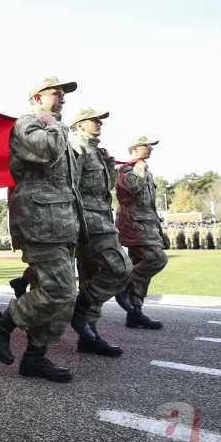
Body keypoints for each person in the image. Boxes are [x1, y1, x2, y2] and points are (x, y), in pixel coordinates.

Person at [0, 76, 84, 383]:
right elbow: (49, 150)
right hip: (41, 223)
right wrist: (56, 124)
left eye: (64, 94)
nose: (63, 99)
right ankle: (1, 322)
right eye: (56, 93)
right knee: (60, 290)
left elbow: (70, 184)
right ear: (37, 98)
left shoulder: (55, 129)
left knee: (63, 297)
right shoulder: (29, 125)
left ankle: (35, 358)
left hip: (63, 225)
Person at [67, 107, 131, 357]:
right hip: (89, 221)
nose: (99, 123)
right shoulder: (76, 147)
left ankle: (88, 335)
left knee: (92, 274)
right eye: (95, 120)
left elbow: (108, 187)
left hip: (101, 217)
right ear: (80, 124)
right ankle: (79, 310)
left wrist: (108, 162)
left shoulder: (95, 151)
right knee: (119, 268)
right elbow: (69, 185)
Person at [114, 135, 168, 329]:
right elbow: (133, 186)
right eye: (148, 146)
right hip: (133, 223)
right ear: (135, 149)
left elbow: (150, 205)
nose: (151, 149)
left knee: (141, 267)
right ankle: (123, 286)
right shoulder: (126, 169)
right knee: (156, 259)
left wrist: (159, 230)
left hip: (147, 222)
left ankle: (135, 312)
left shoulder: (146, 171)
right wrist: (139, 166)